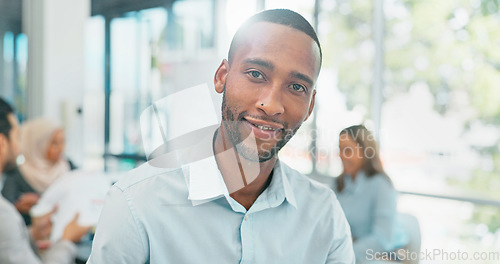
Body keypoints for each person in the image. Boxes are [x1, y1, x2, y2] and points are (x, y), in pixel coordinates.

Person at [88, 9, 354, 263]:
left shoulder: (324, 215)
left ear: (310, 105)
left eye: (297, 87)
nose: (272, 105)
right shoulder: (137, 203)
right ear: (221, 77)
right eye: (256, 74)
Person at [0, 98, 90, 263]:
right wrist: (66, 240)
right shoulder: (5, 214)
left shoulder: (69, 166)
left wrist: (33, 233)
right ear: (2, 144)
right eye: (17, 137)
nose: (20, 146)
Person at [333, 125, 408, 262]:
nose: (341, 155)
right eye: (340, 149)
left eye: (348, 150)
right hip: (348, 252)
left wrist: (342, 253)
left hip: (382, 254)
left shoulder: (381, 186)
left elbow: (382, 238)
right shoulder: (338, 183)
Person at [2, 118, 76, 226]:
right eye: (54, 143)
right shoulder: (16, 175)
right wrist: (18, 208)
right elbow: (5, 213)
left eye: (63, 142)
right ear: (37, 145)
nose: (61, 148)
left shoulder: (69, 168)